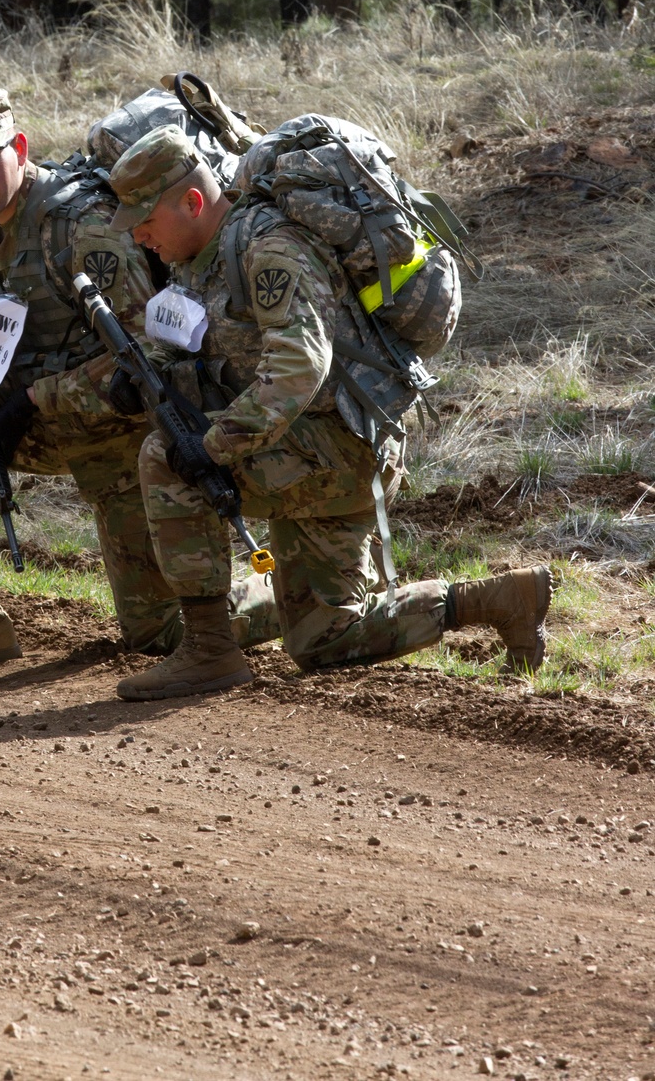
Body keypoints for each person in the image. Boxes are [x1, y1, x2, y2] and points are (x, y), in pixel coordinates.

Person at [104, 125, 553, 702]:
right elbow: (200, 333)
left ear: (192, 202)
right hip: (321, 446)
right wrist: (142, 369)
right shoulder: (204, 255)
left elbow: (298, 369)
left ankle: (210, 650)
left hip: (338, 450)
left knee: (165, 458)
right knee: (323, 639)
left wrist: (211, 447)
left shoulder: (267, 247)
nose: (139, 235)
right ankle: (499, 599)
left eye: (145, 218)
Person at [0, 90, 277, 679]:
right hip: (21, 423)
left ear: (19, 147)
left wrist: (36, 398)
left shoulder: (81, 224)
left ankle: (297, 593)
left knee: (156, 633)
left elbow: (147, 346)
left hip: (115, 440)